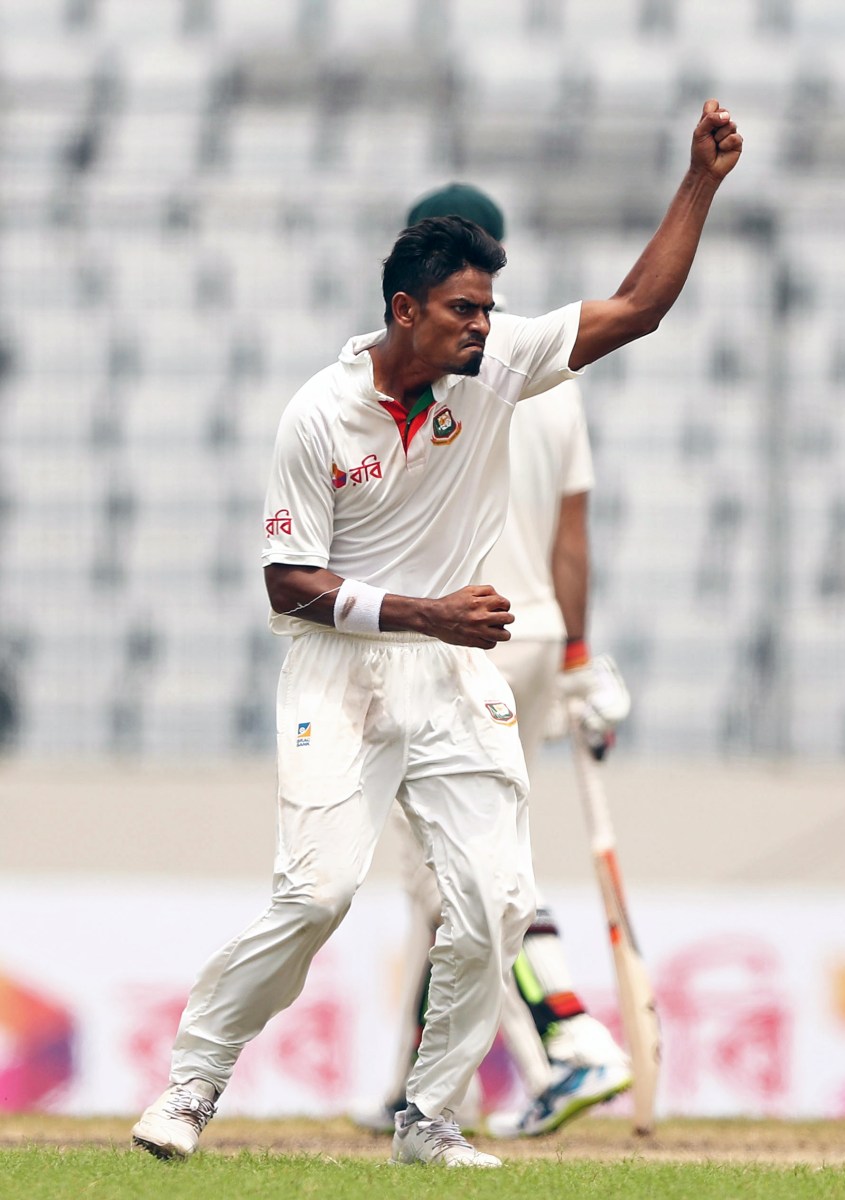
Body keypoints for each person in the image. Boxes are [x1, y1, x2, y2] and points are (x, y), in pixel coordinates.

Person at [131, 100, 742, 1169]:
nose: (482, 326)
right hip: (343, 674)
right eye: (463, 309)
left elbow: (640, 307)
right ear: (405, 310)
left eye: (489, 308)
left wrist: (700, 181)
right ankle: (190, 1085)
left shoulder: (497, 364)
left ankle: (428, 1119)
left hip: (454, 676)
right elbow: (286, 585)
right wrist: (428, 612)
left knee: (494, 904)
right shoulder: (318, 414)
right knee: (316, 895)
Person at [353, 182, 634, 1141]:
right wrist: (584, 661)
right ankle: (426, 1085)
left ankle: (566, 1041)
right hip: (540, 635)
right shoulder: (551, 368)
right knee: (453, 867)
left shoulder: (432, 367)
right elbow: (574, 533)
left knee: (459, 868)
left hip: (458, 637)